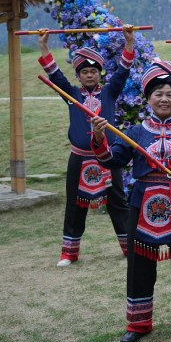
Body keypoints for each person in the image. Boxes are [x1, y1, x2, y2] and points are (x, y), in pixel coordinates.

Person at [90, 60, 171, 342]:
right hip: (142, 205)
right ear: (148, 98)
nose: (164, 98)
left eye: (170, 93)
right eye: (158, 93)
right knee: (139, 264)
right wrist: (99, 137)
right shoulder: (134, 133)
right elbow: (112, 160)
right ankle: (139, 322)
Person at [38, 27, 134, 267]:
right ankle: (69, 253)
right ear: (79, 75)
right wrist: (44, 46)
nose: (90, 75)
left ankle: (129, 248)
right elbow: (55, 75)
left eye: (94, 71)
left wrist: (129, 41)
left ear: (99, 74)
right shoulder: (70, 94)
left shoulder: (110, 92)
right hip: (79, 159)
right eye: (85, 72)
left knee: (118, 202)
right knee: (74, 204)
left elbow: (122, 72)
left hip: (107, 158)